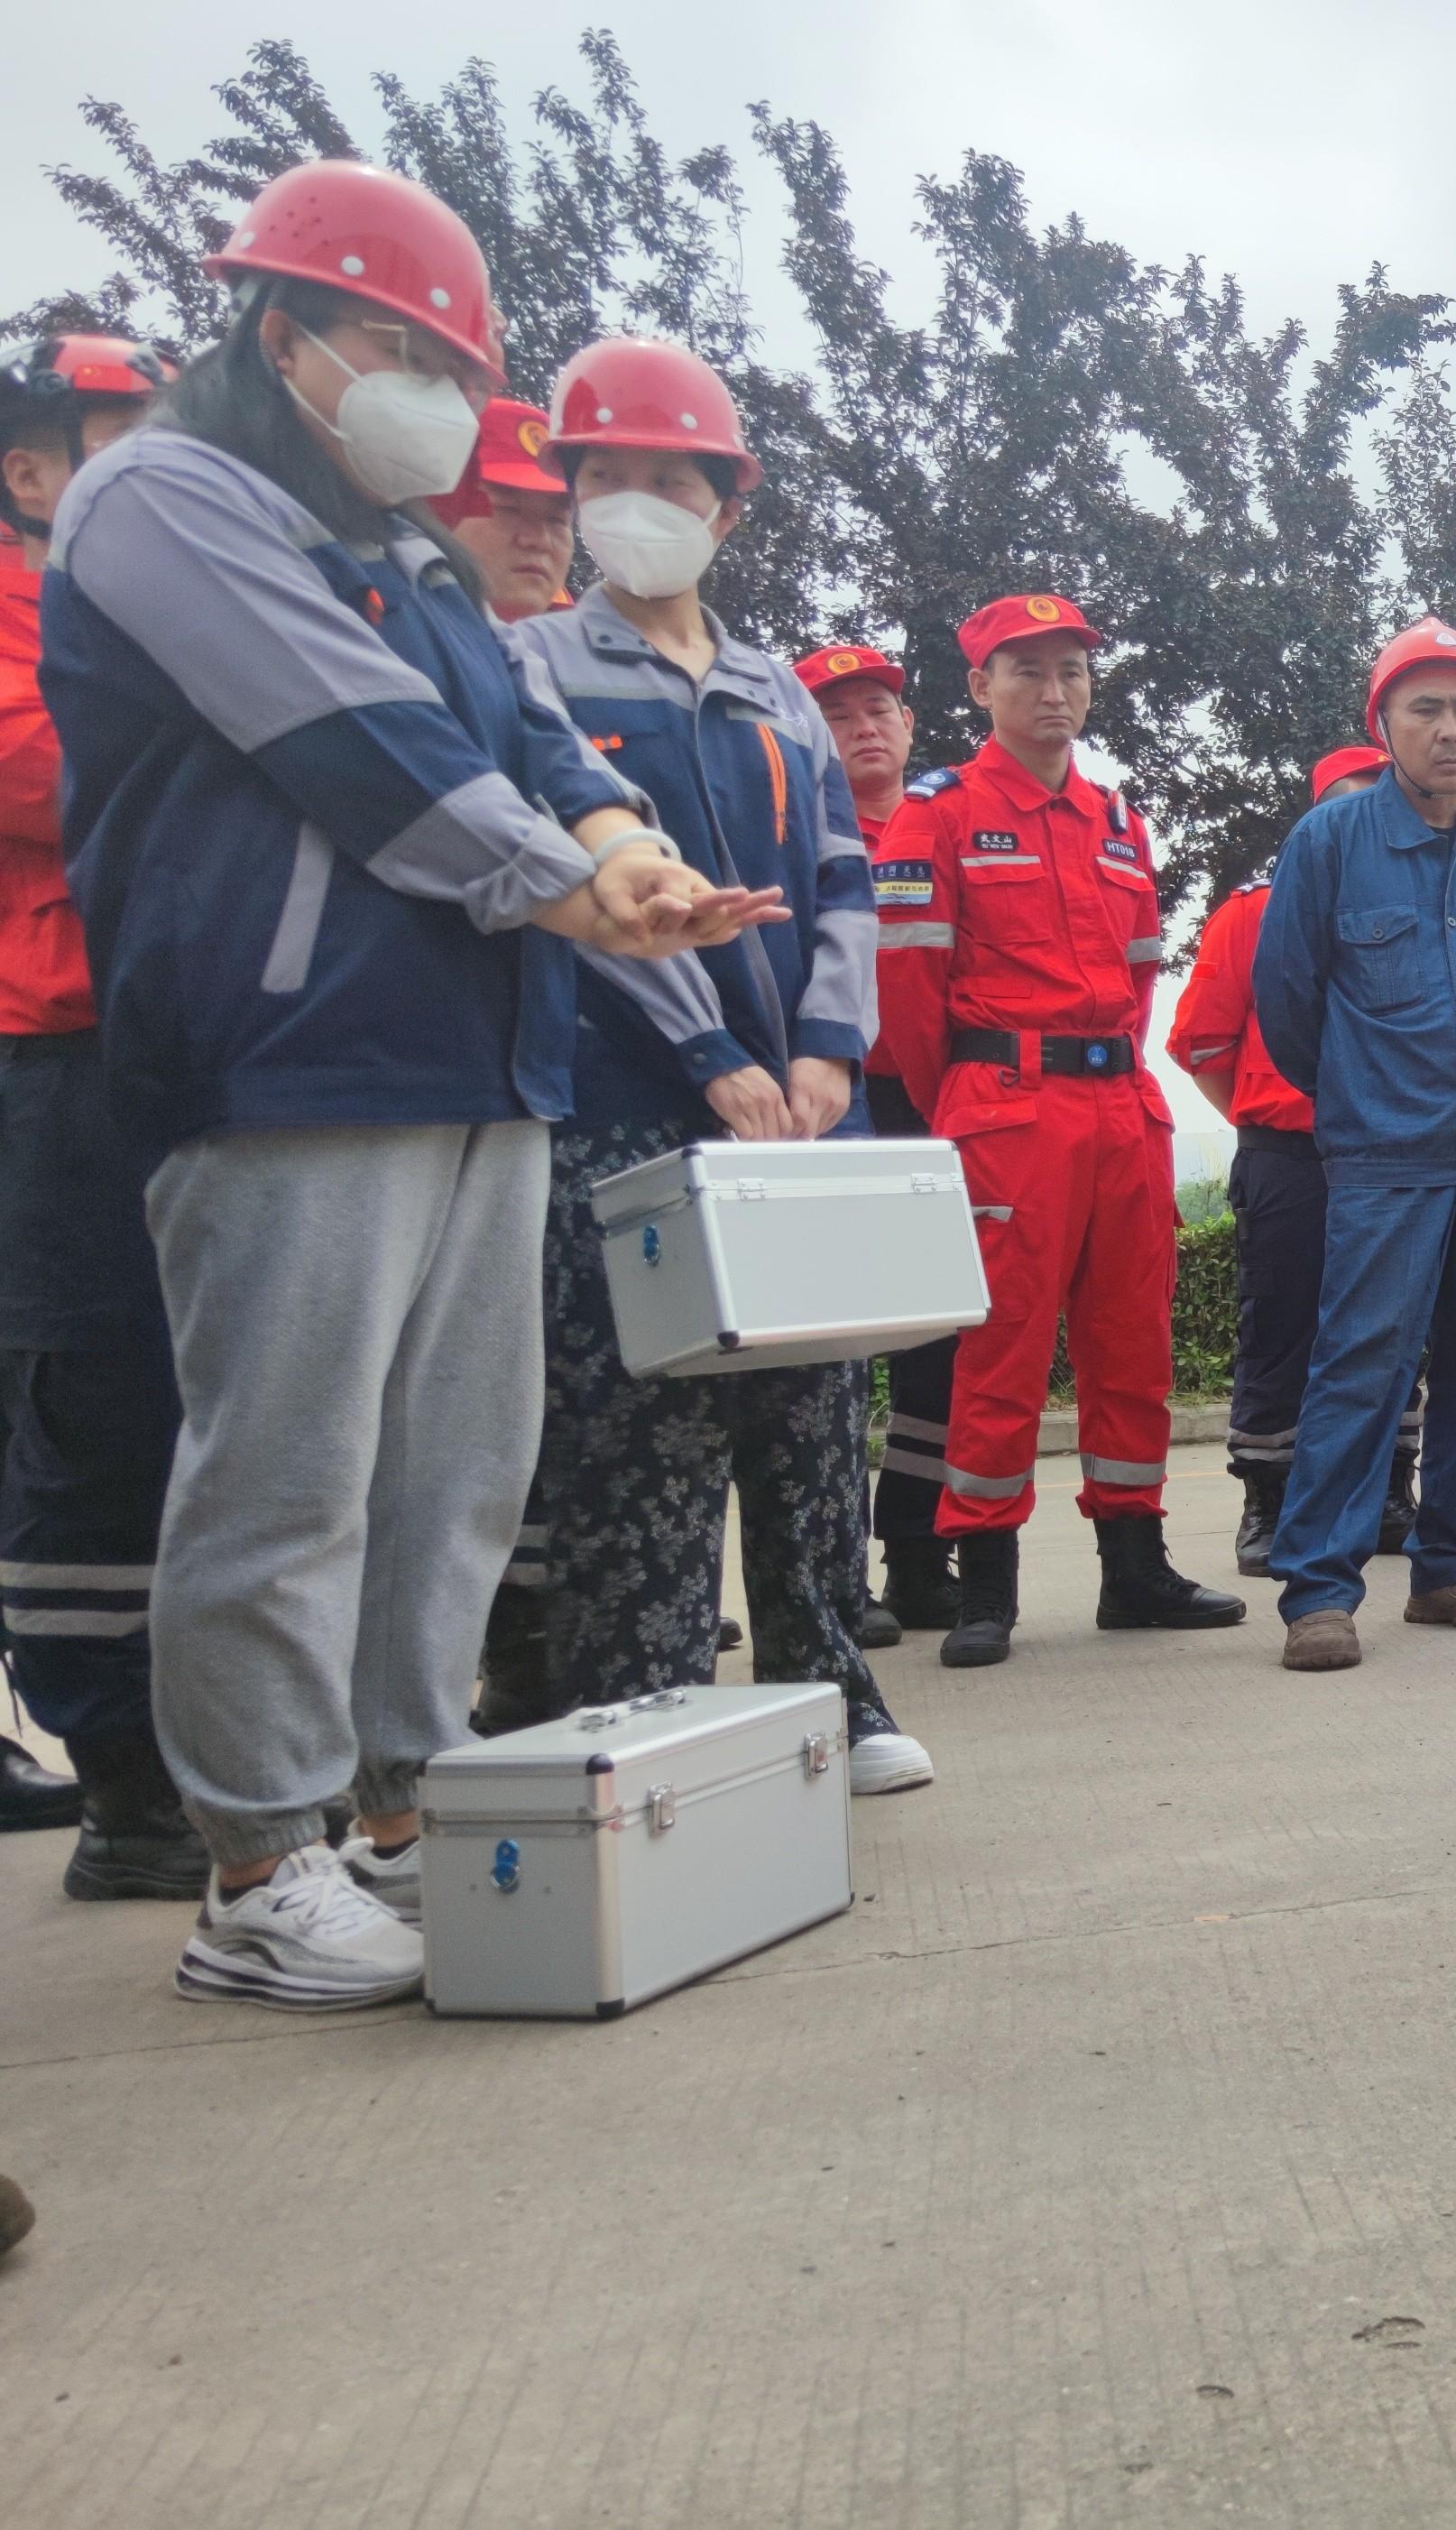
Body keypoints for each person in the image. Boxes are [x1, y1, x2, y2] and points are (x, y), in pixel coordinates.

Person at [41, 160, 776, 2007]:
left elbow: (532, 732)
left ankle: (395, 1798)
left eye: (452, 359)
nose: (432, 394)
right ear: (279, 335)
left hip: (483, 1045)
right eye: (396, 348)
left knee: (455, 1468)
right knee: (290, 1467)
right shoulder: (163, 498)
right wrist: (573, 879)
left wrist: (628, 847)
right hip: (289, 1043)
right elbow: (348, 737)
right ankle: (256, 1859)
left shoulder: (421, 556)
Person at [496, 337, 928, 1795]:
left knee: (813, 1415)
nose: (633, 502)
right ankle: (656, 1714)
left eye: (667, 481)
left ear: (725, 507)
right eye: (602, 477)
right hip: (627, 1106)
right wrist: (702, 1051)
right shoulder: (533, 663)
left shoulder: (775, 686)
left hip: (803, 1115)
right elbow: (583, 879)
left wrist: (822, 1048)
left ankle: (834, 1691)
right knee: (646, 1431)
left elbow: (841, 876)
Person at [873, 594, 1242, 1664]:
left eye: (1071, 671)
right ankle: (984, 1577)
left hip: (1120, 1103)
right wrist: (977, 1095)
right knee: (1002, 1345)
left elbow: (1137, 982)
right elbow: (906, 994)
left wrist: (1106, 1081)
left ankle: (1135, 1567)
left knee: (1134, 1342)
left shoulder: (1120, 820)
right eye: (1026, 671)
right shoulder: (936, 811)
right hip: (1005, 1106)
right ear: (981, 686)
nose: (1053, 692)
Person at [0, 328, 202, 1891]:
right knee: (96, 1400)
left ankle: (211, 1738)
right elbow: (54, 780)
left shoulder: (147, 619)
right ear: (33, 469)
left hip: (187, 1050)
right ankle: (120, 1769)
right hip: (57, 1058)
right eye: (119, 440)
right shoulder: (25, 620)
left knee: (212, 1400)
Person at [1250, 618, 1456, 1670]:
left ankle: (1451, 1567)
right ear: (1382, 723)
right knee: (1362, 1363)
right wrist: (1358, 1097)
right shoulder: (1329, 841)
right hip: (1385, 1152)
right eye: (1425, 707)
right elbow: (1286, 1000)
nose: (1449, 728)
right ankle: (1318, 1590)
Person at [1169, 743, 1425, 1577]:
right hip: (1290, 1156)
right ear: (1316, 820)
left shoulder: (1425, 904)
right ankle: (1268, 1502)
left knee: (1396, 1331)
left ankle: (1390, 1490)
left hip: (1393, 1152)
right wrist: (1265, 1118)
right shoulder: (1251, 915)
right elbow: (1204, 1043)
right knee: (1278, 1330)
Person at [796, 636, 962, 1634]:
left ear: (906, 725)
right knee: (829, 1354)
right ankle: (828, 1568)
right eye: (837, 714)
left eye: (877, 710)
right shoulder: (791, 833)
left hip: (930, 1106)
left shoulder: (942, 825)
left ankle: (915, 1551)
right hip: (830, 1106)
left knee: (934, 1347)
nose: (863, 728)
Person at [425, 396, 571, 620]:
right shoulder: (381, 623)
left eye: (557, 520)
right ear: (435, 510)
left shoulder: (587, 648)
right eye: (508, 509)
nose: (538, 540)